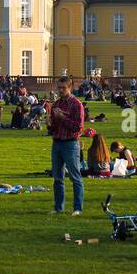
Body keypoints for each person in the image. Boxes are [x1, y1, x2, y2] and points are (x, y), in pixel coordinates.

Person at [48, 76, 86, 215]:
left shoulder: (76, 104)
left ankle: (77, 208)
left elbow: (78, 128)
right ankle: (59, 208)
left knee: (75, 177)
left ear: (70, 88)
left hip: (70, 143)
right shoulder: (56, 104)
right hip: (57, 142)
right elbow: (53, 128)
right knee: (58, 178)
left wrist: (63, 118)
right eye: (59, 87)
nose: (61, 90)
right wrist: (50, 124)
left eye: (64, 88)